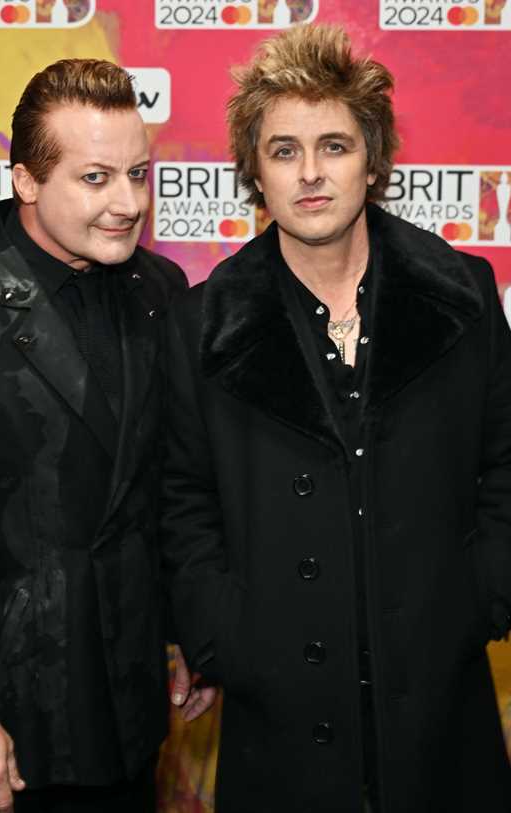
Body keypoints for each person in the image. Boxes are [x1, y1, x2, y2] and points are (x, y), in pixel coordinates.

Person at [160, 24, 511, 813]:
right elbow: (183, 501)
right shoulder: (200, 325)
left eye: (335, 145)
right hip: (277, 710)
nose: (311, 173)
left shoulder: (462, 293)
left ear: (374, 158)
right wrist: (224, 635)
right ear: (254, 169)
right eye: (284, 150)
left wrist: (479, 594)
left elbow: (506, 458)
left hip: (439, 698)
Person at [0, 59, 205, 813]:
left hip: (127, 710)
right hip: (2, 730)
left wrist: (189, 631)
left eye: (139, 174)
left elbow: (163, 486)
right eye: (95, 179)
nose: (128, 203)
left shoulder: (159, 291)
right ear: (25, 179)